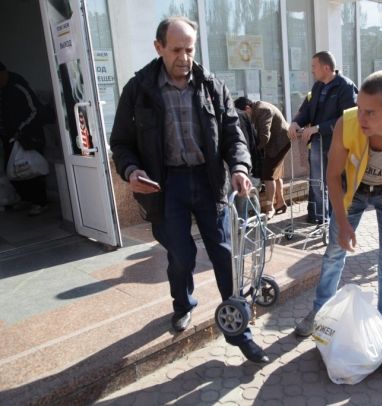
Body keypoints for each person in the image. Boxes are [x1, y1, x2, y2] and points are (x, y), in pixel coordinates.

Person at [110, 16, 269, 363]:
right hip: (165, 186)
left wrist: (239, 168)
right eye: (176, 50)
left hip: (208, 181)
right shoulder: (139, 89)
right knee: (181, 255)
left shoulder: (211, 85)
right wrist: (131, 170)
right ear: (159, 47)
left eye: (190, 49)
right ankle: (183, 304)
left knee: (224, 255)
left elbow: (233, 134)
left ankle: (239, 330)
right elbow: (120, 142)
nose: (184, 58)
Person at [293, 70, 382, 336]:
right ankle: (320, 312)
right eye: (359, 108)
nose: (361, 117)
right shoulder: (347, 123)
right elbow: (332, 176)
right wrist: (343, 224)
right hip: (353, 189)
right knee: (334, 251)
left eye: (370, 113)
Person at [288, 51, 357, 225]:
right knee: (317, 183)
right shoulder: (317, 86)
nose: (312, 70)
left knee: (336, 184)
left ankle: (337, 221)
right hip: (318, 143)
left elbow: (348, 119)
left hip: (338, 144)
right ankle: (320, 218)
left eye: (314, 66)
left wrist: (318, 128)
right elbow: (306, 109)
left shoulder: (346, 87)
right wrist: (296, 122)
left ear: (326, 68)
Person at [0, 61, 49, 216]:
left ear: (4, 73)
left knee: (32, 169)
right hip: (9, 137)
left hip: (28, 136)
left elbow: (35, 110)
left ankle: (40, 202)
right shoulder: (2, 91)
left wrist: (20, 129)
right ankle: (26, 198)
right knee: (13, 170)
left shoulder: (18, 86)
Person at [234, 97, 290, 218]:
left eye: (243, 114)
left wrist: (255, 150)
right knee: (276, 175)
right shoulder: (258, 108)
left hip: (278, 144)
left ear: (247, 108)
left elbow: (264, 136)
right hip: (281, 142)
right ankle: (280, 202)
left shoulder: (262, 110)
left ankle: (270, 208)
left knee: (268, 176)